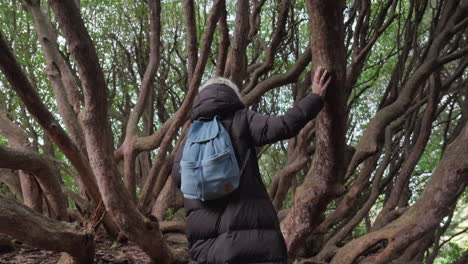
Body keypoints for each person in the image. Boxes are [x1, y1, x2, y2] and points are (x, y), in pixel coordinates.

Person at [172, 67, 331, 264]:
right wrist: (315, 97)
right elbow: (284, 126)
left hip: (204, 246)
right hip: (251, 239)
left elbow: (178, 178)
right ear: (231, 95)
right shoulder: (242, 118)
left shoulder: (191, 135)